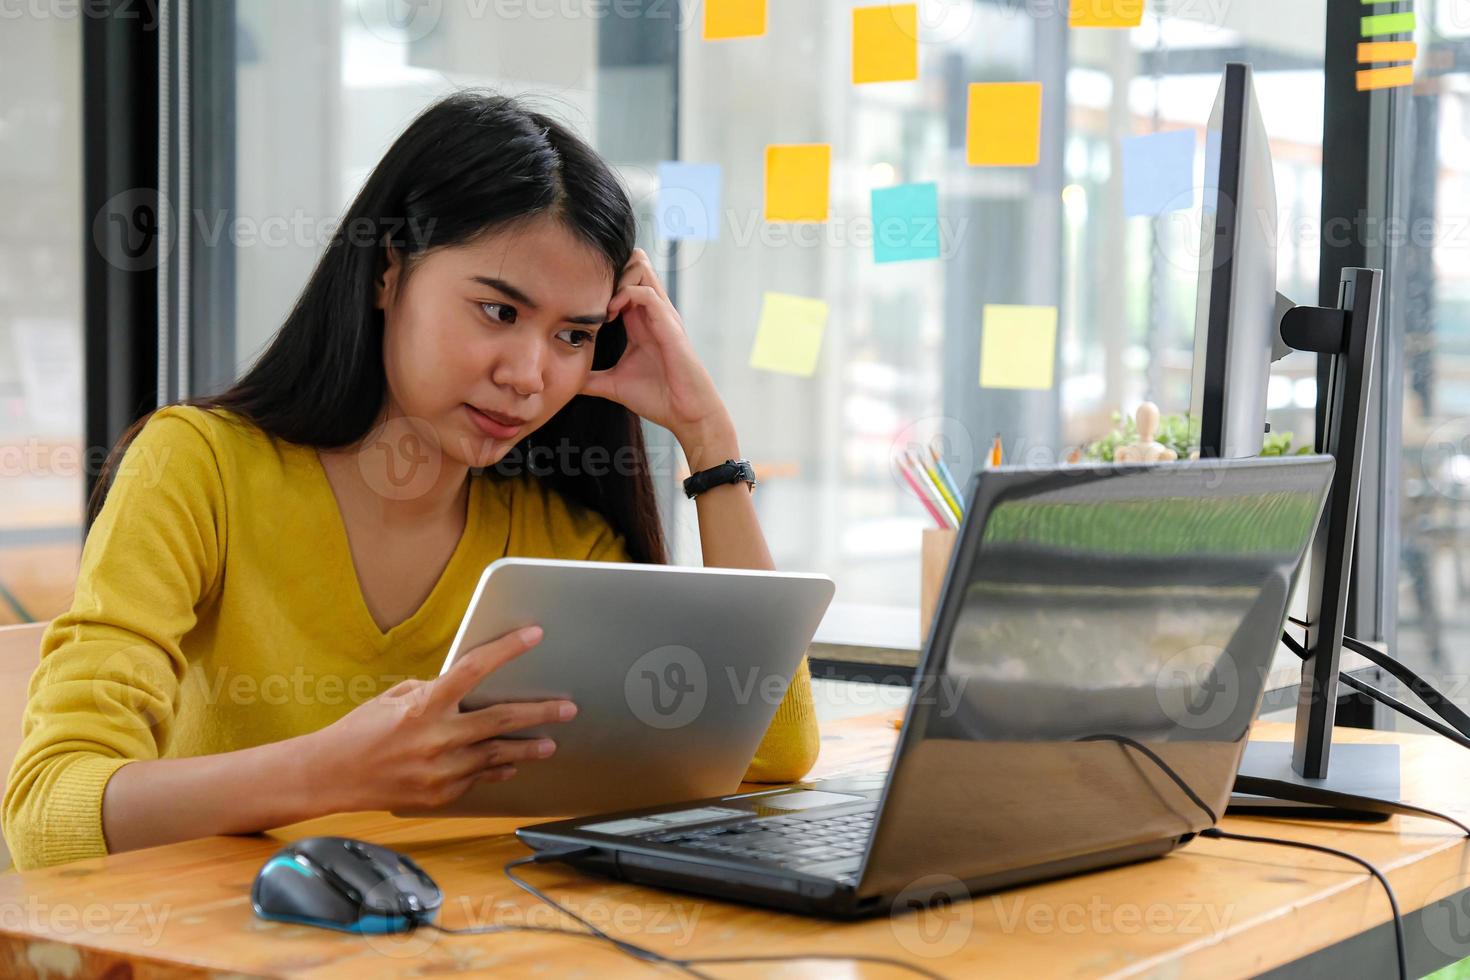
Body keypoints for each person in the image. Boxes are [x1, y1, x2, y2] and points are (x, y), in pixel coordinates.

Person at [2, 91, 817, 871]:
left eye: (573, 335)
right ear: (389, 272)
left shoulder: (562, 535)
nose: (530, 375)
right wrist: (331, 771)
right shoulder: (198, 468)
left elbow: (771, 753)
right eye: (498, 311)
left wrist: (710, 442)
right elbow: (49, 811)